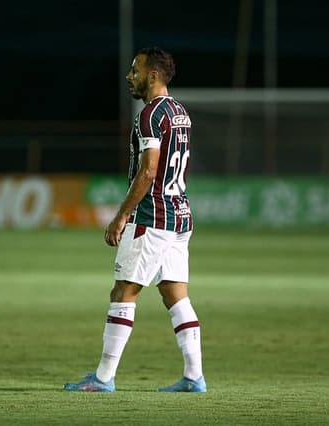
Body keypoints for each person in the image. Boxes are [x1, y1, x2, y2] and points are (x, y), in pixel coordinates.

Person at [64, 47, 205, 393]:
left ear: (153, 75)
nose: (129, 77)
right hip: (180, 215)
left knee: (123, 291)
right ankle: (194, 376)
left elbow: (149, 171)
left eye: (134, 71)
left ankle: (103, 377)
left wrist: (122, 215)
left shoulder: (150, 115)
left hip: (151, 218)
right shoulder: (179, 112)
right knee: (175, 294)